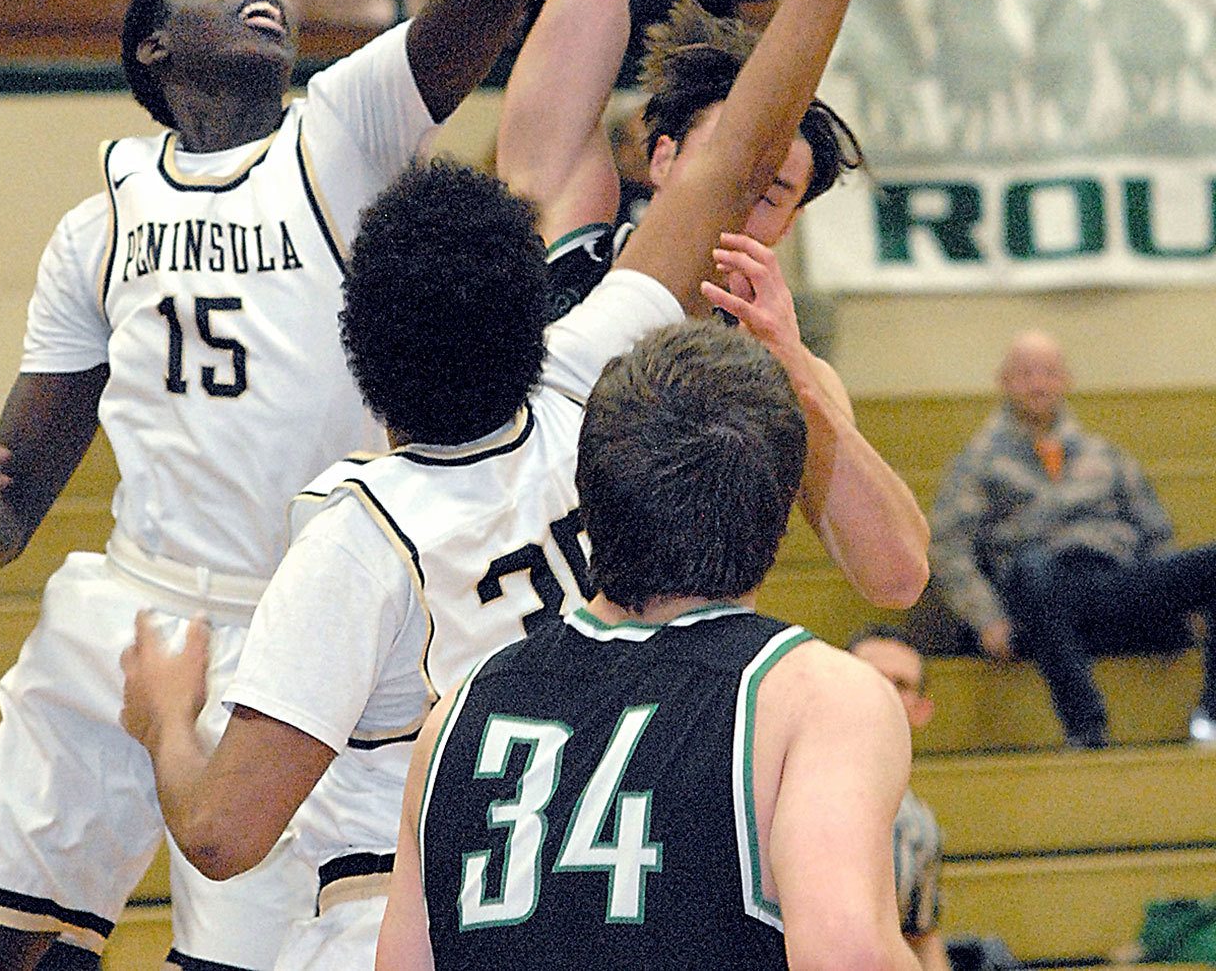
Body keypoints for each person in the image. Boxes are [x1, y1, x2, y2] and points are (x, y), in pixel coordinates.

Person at [0, 0, 775, 971]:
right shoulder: (91, 226)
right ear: (154, 47)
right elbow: (0, 535)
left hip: (308, 626)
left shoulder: (340, 132)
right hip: (134, 610)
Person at [118, 0, 981, 970]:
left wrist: (163, 716)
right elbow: (693, 97)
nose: (756, 200)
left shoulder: (369, 524)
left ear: (364, 343)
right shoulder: (588, 349)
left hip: (417, 882)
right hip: (622, 833)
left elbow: (219, 828)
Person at [497, 0, 929, 611]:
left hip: (670, 699)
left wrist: (795, 370)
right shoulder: (571, 242)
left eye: (774, 194)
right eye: (728, 161)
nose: (740, 189)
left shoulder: (784, 363)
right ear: (659, 161)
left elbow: (897, 578)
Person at [376, 319, 920, 971]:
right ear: (782, 507)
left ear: (587, 489)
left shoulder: (456, 714)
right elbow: (848, 955)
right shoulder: (814, 695)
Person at [928, 328, 1216, 749]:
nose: (1038, 383)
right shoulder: (977, 463)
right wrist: (987, 616)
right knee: (1031, 566)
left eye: (1048, 372)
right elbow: (949, 545)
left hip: (1116, 588)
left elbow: (1154, 531)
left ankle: (1210, 716)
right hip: (1036, 602)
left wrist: (1175, 602)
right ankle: (1086, 726)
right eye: (1025, 373)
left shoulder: (1106, 455)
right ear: (1004, 382)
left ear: (1066, 380)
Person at [849, 627, 953, 971]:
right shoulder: (777, 788)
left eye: (900, 685)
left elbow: (921, 937)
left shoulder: (919, 826)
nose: (883, 693)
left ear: (922, 711)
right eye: (868, 677)